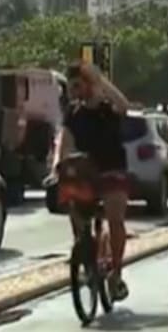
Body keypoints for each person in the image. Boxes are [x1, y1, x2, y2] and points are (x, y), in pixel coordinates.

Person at [54, 63, 132, 301]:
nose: (73, 92)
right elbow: (64, 142)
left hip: (113, 168)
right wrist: (57, 167)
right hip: (86, 171)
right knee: (72, 202)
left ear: (89, 85)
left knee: (115, 218)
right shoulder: (73, 112)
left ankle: (116, 273)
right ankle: (84, 249)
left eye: (77, 86)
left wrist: (100, 80)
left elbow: (124, 105)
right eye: (70, 87)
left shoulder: (107, 107)